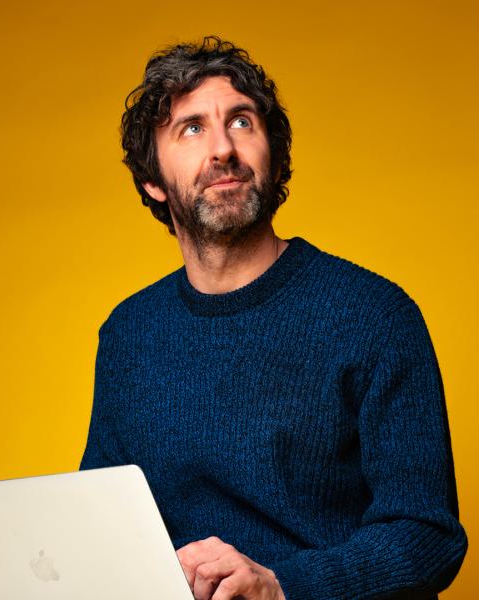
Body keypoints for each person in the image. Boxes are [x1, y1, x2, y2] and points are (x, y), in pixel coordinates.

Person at [79, 36, 468, 599]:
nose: (222, 149)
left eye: (241, 122)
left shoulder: (375, 316)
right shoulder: (128, 335)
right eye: (191, 128)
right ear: (154, 181)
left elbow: (428, 537)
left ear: (273, 154)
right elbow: (100, 527)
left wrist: (282, 586)